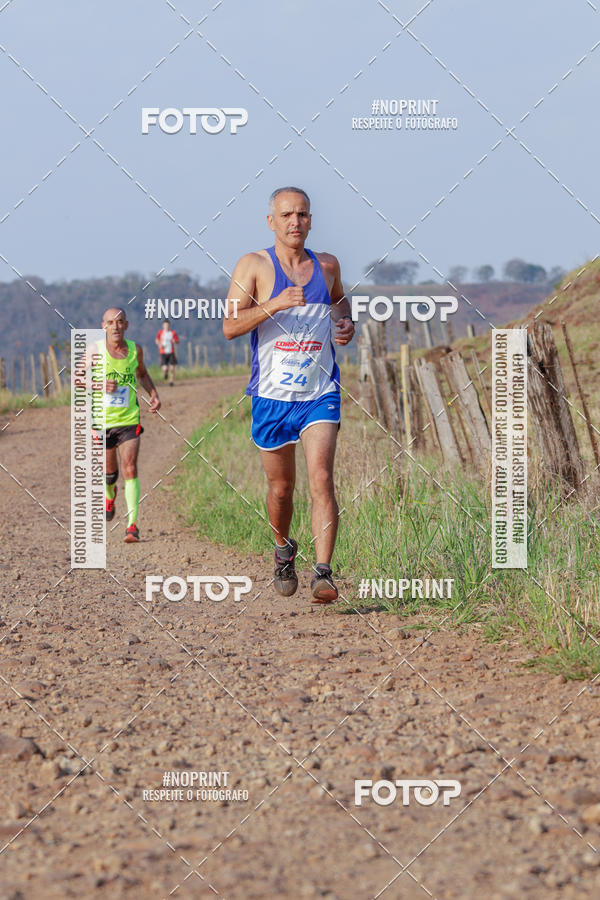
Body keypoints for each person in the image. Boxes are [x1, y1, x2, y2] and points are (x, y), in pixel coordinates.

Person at [223, 187, 355, 603]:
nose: (294, 221)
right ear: (271, 221)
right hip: (271, 397)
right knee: (282, 489)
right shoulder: (253, 265)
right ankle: (283, 549)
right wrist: (274, 304)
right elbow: (229, 326)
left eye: (302, 214)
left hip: (320, 393)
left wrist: (346, 324)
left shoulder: (327, 265)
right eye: (286, 215)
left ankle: (323, 574)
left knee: (322, 479)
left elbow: (340, 303)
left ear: (311, 220)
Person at [90, 308, 161, 542]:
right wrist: (99, 384)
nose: (115, 327)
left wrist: (153, 393)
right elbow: (78, 378)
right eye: (110, 322)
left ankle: (132, 525)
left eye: (119, 322)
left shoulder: (134, 350)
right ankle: (109, 496)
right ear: (104, 326)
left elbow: (142, 374)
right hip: (102, 421)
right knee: (110, 475)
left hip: (129, 419)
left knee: (130, 468)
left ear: (126, 325)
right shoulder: (95, 350)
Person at [155, 319, 179, 385]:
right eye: (165, 325)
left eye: (167, 325)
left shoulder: (173, 333)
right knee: (165, 368)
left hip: (171, 352)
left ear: (169, 325)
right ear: (163, 326)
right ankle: (165, 373)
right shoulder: (160, 333)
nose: (166, 326)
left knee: (172, 368)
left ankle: (171, 381)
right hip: (163, 352)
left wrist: (175, 341)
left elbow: (177, 341)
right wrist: (159, 344)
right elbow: (157, 340)